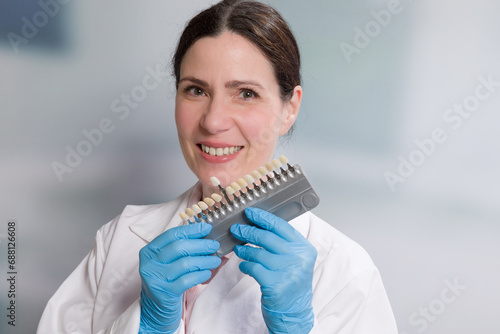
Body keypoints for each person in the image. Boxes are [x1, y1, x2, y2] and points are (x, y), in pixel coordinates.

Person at [37, 1, 398, 333]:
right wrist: (147, 325)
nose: (213, 121)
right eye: (196, 90)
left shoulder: (346, 273)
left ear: (289, 109)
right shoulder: (119, 240)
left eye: (245, 93)